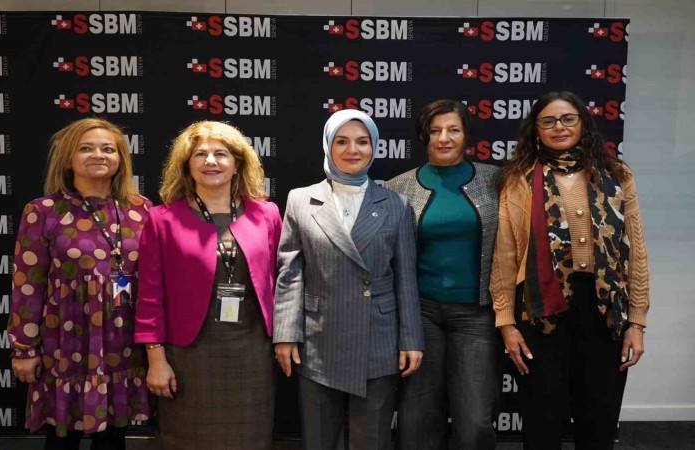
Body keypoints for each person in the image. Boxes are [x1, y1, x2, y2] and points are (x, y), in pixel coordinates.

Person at [490, 91, 649, 449]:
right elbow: (505, 255)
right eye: (548, 121)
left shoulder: (617, 174)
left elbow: (636, 252)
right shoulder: (518, 178)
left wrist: (637, 323)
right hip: (540, 309)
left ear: (583, 123)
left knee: (599, 422)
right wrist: (506, 323)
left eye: (567, 119)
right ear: (536, 129)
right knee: (542, 423)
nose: (558, 127)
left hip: (605, 312)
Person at [274, 109, 424, 450]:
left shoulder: (396, 204)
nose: (352, 150)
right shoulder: (300, 199)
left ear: (374, 147)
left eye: (362, 142)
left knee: (371, 440)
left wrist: (411, 339)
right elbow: (290, 273)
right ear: (328, 145)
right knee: (319, 440)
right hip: (318, 340)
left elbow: (405, 278)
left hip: (378, 339)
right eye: (341, 141)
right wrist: (285, 334)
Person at [134, 121, 281, 450]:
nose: (210, 161)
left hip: (252, 353)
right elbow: (150, 295)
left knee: (249, 438)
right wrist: (156, 359)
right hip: (188, 354)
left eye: (221, 154)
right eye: (200, 154)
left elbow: (281, 283)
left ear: (237, 163)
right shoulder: (162, 219)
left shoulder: (267, 214)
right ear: (187, 164)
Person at [8, 118, 151, 449]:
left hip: (122, 339)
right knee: (62, 437)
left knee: (114, 435)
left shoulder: (141, 209)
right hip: (66, 341)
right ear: (68, 158)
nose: (98, 155)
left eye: (108, 149)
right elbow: (27, 286)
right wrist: (24, 349)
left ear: (120, 159)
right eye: (86, 148)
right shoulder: (43, 211)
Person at [386, 99, 502, 449]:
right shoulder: (398, 187)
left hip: (478, 315)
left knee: (476, 419)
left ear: (466, 135)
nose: (443, 138)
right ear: (424, 136)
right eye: (435, 131)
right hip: (421, 315)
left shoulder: (497, 179)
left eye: (453, 130)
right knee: (418, 417)